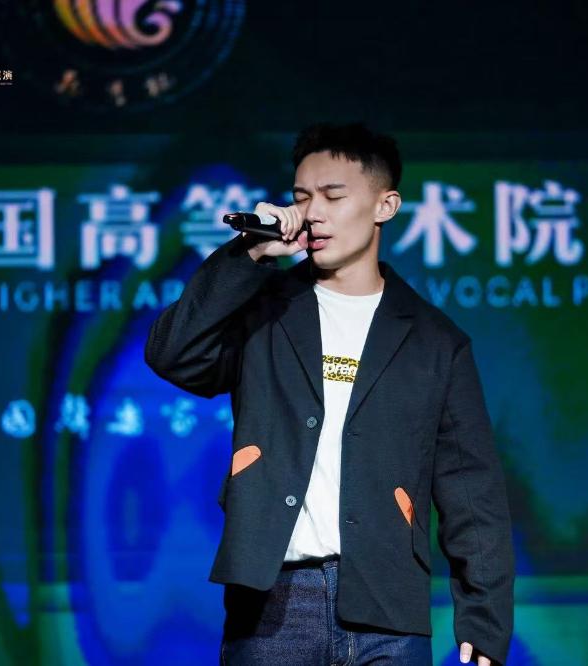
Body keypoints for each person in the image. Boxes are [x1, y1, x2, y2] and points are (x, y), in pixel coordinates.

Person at [145, 122, 514, 665]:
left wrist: (484, 621)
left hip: (387, 607)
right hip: (272, 605)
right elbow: (173, 354)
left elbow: (471, 490)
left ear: (385, 205)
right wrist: (248, 254)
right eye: (302, 197)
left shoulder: (435, 342)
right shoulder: (265, 311)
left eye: (333, 196)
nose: (313, 212)